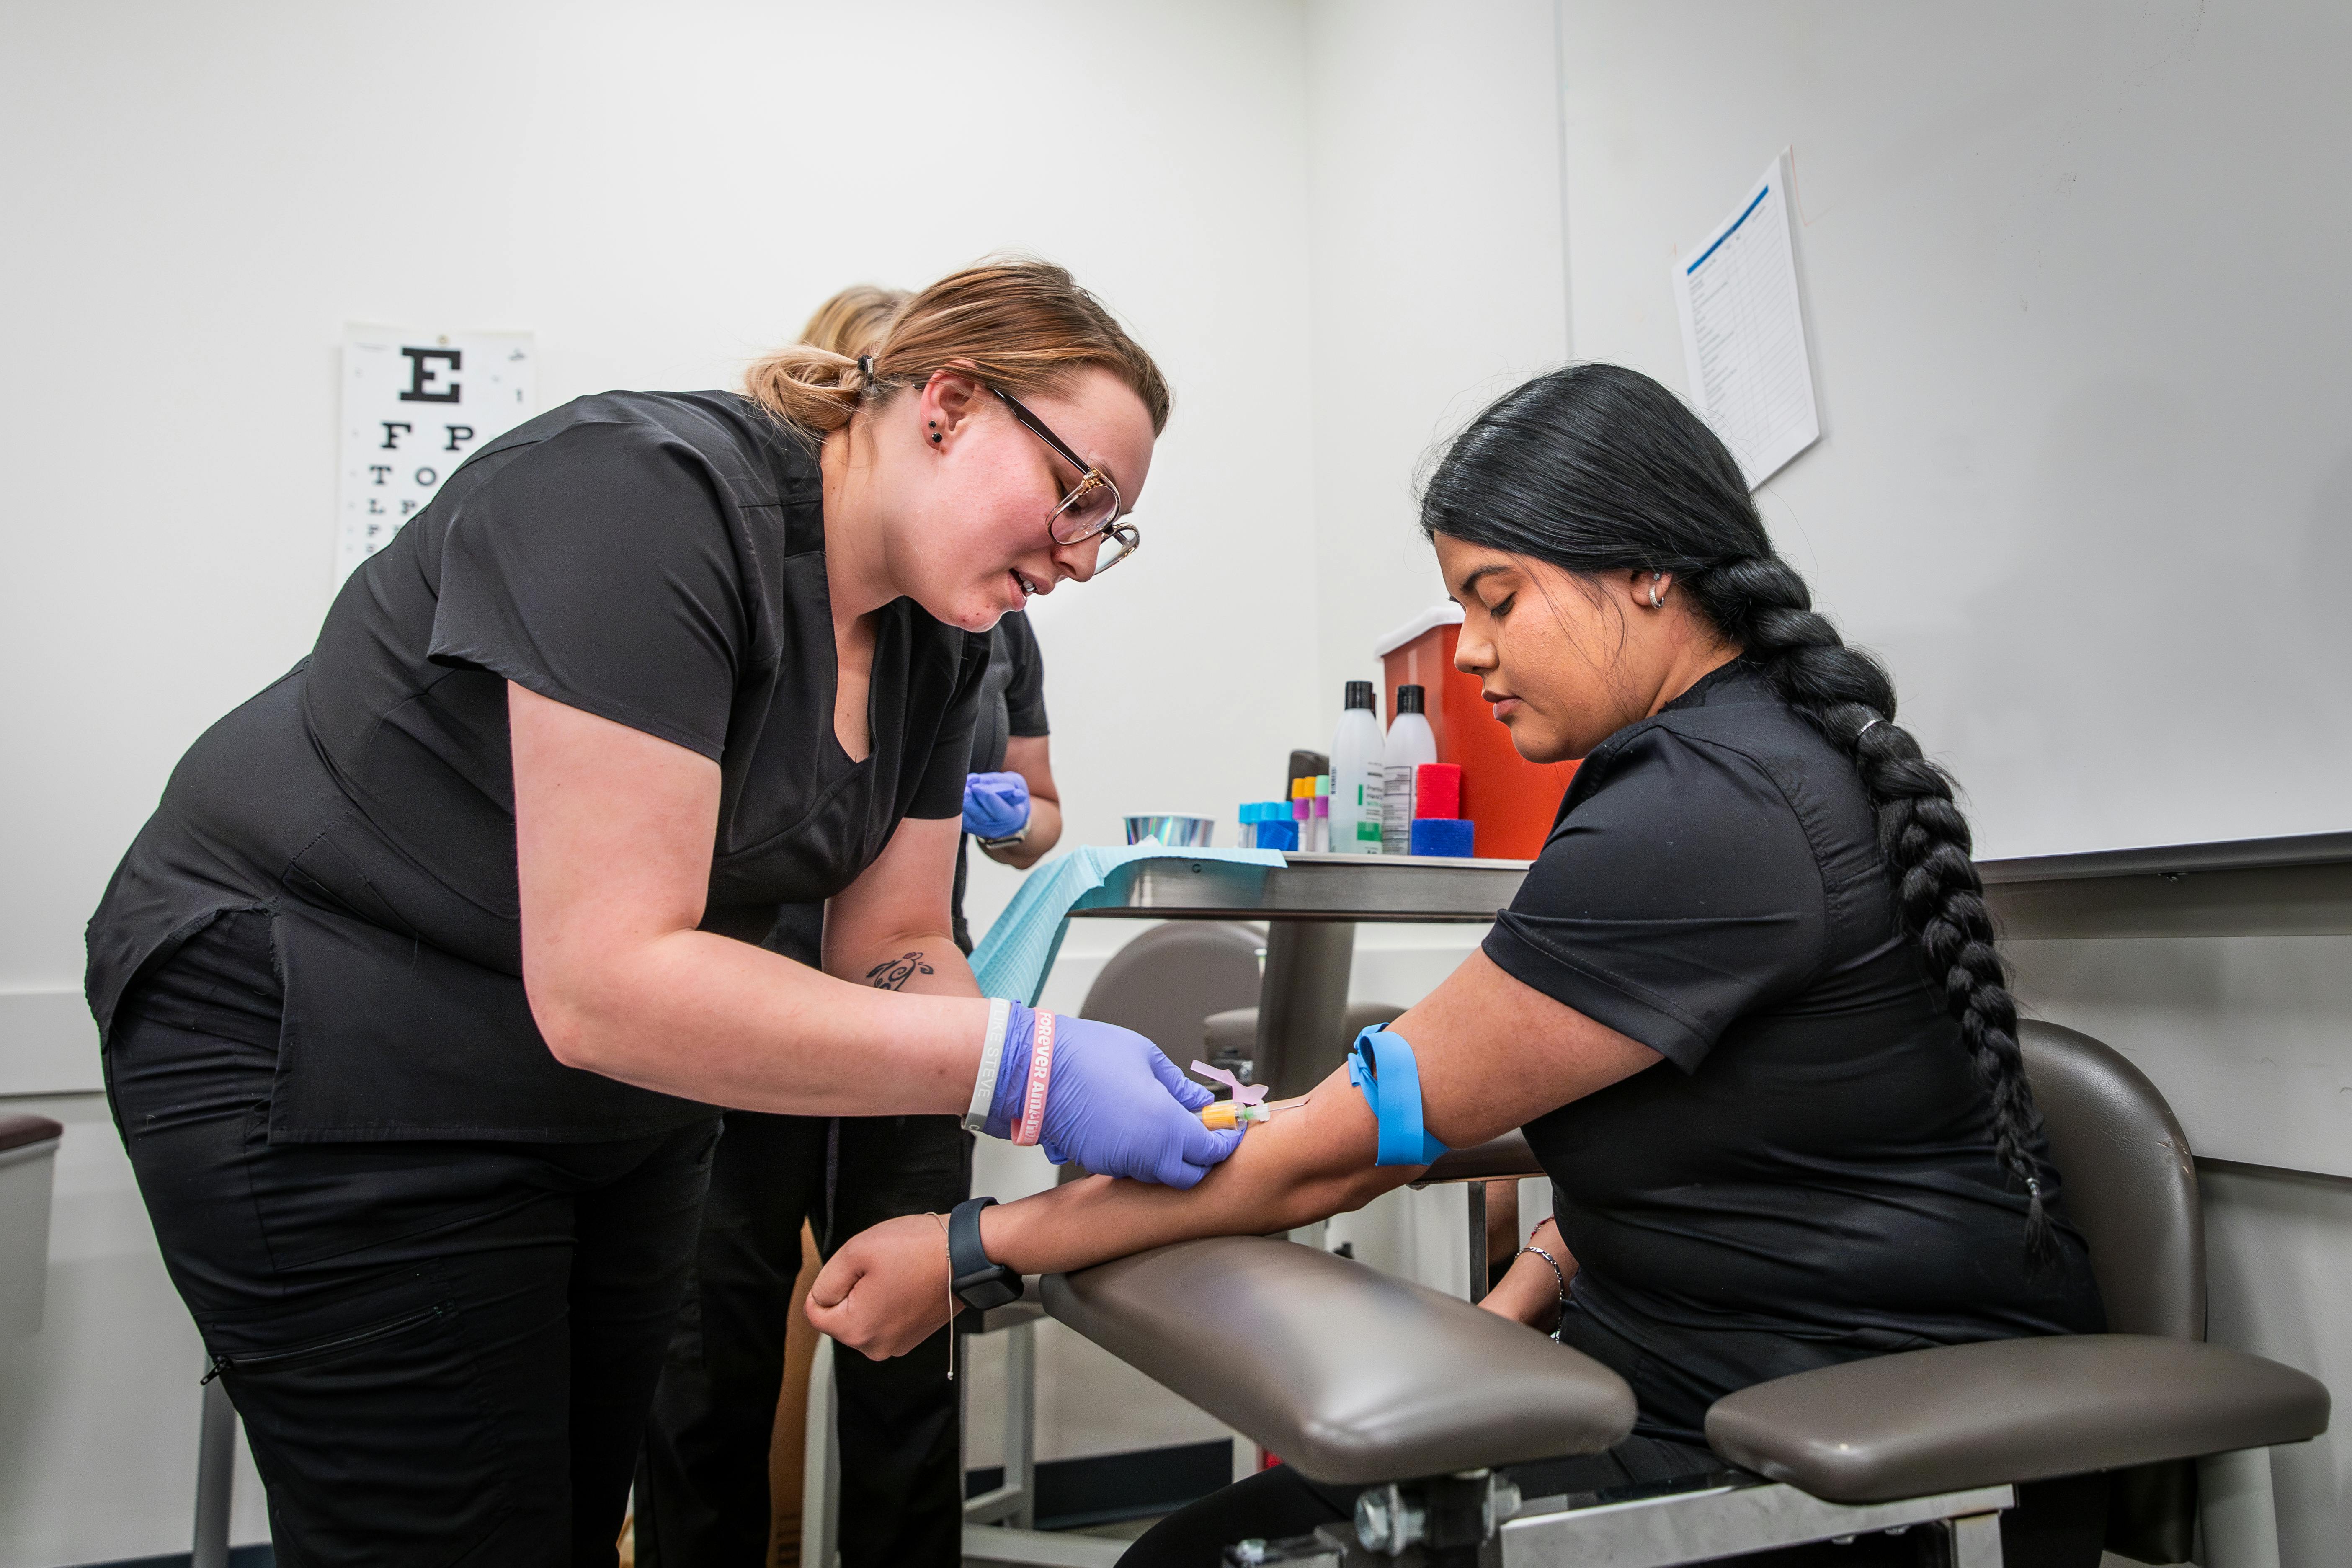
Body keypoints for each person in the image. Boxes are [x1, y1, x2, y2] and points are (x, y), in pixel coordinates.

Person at [805, 364, 2112, 1568]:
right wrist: (1528, 1286)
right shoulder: (1729, 766)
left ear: (1649, 571)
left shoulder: (1705, 809)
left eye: (1499, 599)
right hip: (1692, 1367)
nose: (1471, 651)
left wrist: (976, 1247)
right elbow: (1730, 1146)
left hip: (1857, 1442)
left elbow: (1342, 1151)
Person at [85, 260, 1243, 1565]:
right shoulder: (641, 496)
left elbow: (897, 943)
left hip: (603, 1091)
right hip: (324, 1030)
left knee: (579, 1515)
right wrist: (1027, 1063)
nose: (1083, 558)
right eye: (1079, 497)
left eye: (1113, 529)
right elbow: (608, 977)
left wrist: (1019, 1093)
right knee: (451, 1533)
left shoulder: (940, 638)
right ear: (950, 404)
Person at [634, 284, 1064, 1568]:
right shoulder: (722, 568)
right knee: (707, 1352)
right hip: (734, 1012)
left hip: (907, 1013)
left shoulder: (978, 630)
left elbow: (1032, 816)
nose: (1069, 553)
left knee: (909, 1362)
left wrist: (1020, 1047)